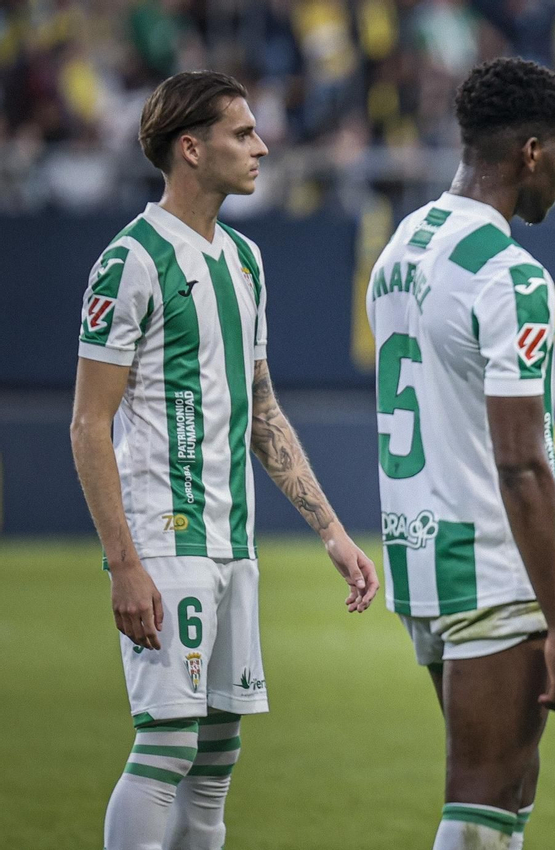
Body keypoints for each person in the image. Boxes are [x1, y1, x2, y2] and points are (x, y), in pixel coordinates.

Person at [70, 70, 378, 850]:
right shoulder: (130, 260)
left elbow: (263, 411)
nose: (262, 146)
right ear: (190, 147)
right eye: (243, 134)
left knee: (215, 762)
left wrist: (334, 534)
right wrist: (124, 565)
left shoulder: (244, 260)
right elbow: (87, 422)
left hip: (232, 544)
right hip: (164, 540)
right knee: (165, 746)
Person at [365, 57, 555, 850]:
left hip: (420, 556)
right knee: (483, 799)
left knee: (505, 794)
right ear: (531, 152)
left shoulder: (402, 247)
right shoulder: (509, 275)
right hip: (492, 559)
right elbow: (520, 461)